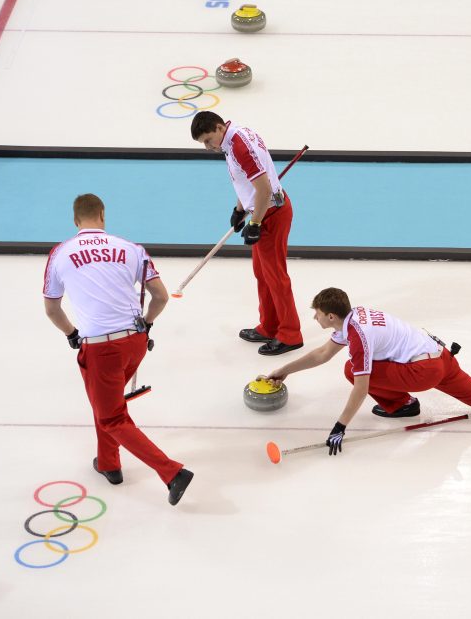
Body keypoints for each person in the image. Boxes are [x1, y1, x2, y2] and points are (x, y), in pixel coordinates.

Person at [264, 287, 471, 456]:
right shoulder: (359, 314)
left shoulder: (358, 338)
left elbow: (361, 387)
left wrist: (340, 426)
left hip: (422, 371)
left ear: (332, 317)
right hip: (438, 355)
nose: (316, 320)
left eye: (318, 315)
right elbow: (322, 353)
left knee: (352, 370)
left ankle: (402, 406)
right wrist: (285, 370)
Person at [43, 193, 193, 506]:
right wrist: (147, 325)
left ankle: (171, 472)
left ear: (75, 221)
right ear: (102, 216)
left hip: (100, 348)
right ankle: (109, 464)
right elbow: (161, 297)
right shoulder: (132, 249)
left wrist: (71, 334)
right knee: (106, 404)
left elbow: (52, 309)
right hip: (134, 342)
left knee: (111, 416)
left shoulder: (60, 253)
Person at [190, 111, 304, 356]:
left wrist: (255, 222)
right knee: (262, 273)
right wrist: (239, 208)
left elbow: (263, 189)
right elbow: (245, 183)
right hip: (263, 209)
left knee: (276, 276)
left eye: (208, 140)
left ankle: (290, 334)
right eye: (203, 144)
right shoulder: (231, 140)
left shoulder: (239, 147)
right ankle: (270, 326)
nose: (208, 147)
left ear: (219, 128)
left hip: (271, 213)